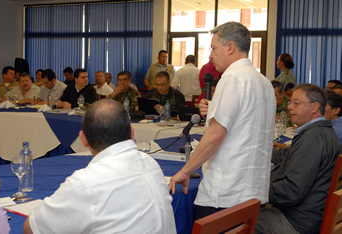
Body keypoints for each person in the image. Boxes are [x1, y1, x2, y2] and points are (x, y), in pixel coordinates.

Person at [168, 22, 276, 219]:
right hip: (251, 191)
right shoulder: (263, 82)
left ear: (230, 47)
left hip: (225, 193)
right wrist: (213, 111)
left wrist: (185, 171)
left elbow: (216, 135)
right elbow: (247, 121)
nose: (210, 55)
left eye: (213, 48)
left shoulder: (233, 77)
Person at [23, 99, 176, 234]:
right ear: (132, 132)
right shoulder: (151, 164)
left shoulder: (86, 183)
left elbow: (32, 229)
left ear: (83, 139)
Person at [256, 84, 342, 234]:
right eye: (290, 102)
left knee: (235, 218)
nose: (289, 107)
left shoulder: (313, 139)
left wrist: (255, 187)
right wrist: (259, 151)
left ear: (314, 107)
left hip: (297, 223)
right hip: (309, 216)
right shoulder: (321, 132)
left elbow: (290, 191)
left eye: (296, 103)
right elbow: (289, 155)